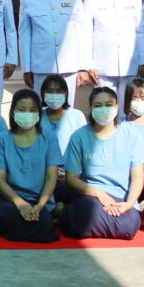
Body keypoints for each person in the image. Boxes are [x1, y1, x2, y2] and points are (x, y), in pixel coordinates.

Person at [56, 86, 144, 239]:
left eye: (108, 105)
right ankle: (63, 211)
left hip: (121, 198)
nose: (103, 109)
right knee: (87, 216)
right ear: (91, 108)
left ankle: (70, 215)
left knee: (130, 226)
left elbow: (138, 176)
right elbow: (71, 178)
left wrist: (129, 203)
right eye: (98, 105)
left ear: (117, 107)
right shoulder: (79, 136)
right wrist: (100, 195)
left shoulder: (130, 133)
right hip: (91, 196)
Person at [0, 89, 61, 243]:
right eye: (22, 109)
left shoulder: (48, 137)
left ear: (38, 113)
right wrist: (20, 203)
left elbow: (52, 177)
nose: (27, 114)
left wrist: (40, 205)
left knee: (45, 228)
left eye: (32, 110)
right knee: (7, 215)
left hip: (39, 200)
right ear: (13, 112)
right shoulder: (3, 139)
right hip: (11, 199)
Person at [18, 0, 90, 98]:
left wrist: (83, 67)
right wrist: (27, 69)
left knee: (67, 107)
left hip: (69, 66)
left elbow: (82, 33)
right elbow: (24, 36)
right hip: (41, 67)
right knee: (42, 106)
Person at [83, 0, 142, 102]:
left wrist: (143, 61)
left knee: (129, 107)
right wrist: (89, 64)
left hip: (129, 64)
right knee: (105, 105)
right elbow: (86, 34)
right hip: (102, 66)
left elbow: (141, 32)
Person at [38, 74, 87, 202]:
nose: (54, 95)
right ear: (43, 93)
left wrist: (71, 175)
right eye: (50, 91)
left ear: (66, 93)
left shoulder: (76, 115)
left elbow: (85, 148)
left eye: (58, 91)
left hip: (71, 176)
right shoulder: (37, 117)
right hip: (42, 176)